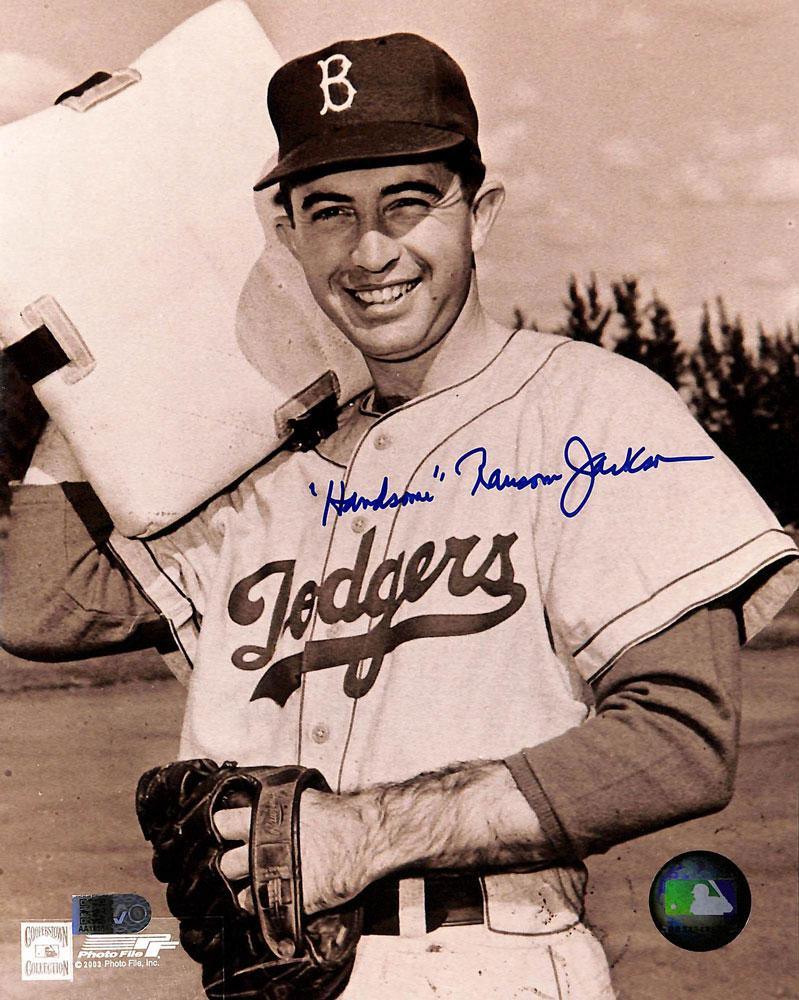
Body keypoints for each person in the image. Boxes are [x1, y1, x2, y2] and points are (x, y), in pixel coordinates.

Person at [3, 32, 798, 999]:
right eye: (329, 212)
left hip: (489, 959)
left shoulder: (594, 409)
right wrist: (93, 352)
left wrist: (362, 832)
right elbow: (43, 608)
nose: (370, 251)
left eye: (408, 202)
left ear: (480, 214)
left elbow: (680, 737)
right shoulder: (258, 462)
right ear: (286, 235)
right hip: (269, 975)